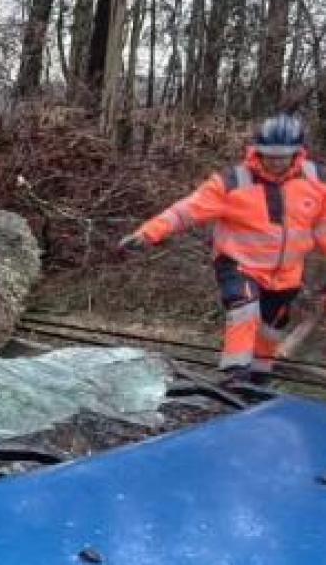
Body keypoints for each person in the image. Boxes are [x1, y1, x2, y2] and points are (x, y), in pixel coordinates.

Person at [119, 113, 326, 383]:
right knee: (244, 308)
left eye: (282, 156)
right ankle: (235, 375)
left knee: (271, 327)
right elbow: (185, 211)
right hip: (239, 264)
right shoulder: (232, 181)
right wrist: (147, 234)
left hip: (286, 273)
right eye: (268, 155)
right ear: (257, 151)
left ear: (298, 153)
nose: (275, 161)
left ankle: (259, 382)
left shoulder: (317, 181)